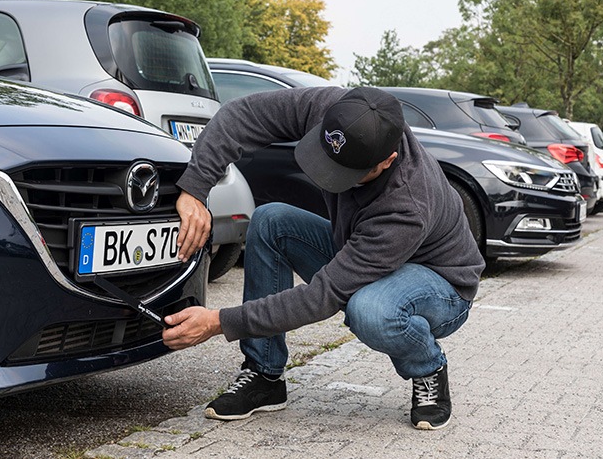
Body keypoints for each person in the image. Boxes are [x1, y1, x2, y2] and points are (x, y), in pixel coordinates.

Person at [164, 86, 485, 430]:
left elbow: (324, 295)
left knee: (370, 309)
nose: (328, 176)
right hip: (368, 254)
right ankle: (264, 375)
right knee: (271, 221)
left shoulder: (406, 203)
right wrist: (195, 189)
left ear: (387, 161)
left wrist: (218, 321)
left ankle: (428, 367)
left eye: (346, 173)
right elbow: (240, 114)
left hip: (441, 285)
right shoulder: (338, 110)